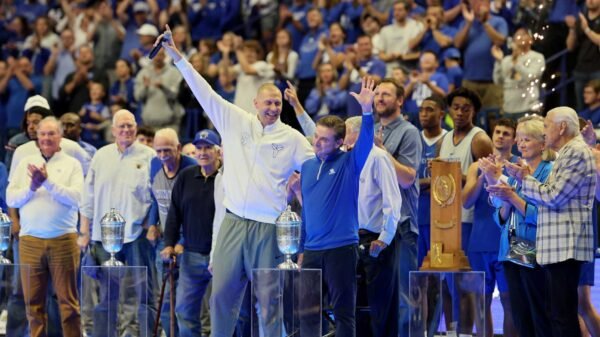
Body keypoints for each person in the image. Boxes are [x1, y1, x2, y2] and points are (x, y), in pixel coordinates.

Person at [159, 25, 314, 337]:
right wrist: (177, 57)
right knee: (221, 297)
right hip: (233, 223)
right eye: (267, 103)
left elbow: (319, 160)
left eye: (277, 105)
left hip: (269, 228)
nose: (273, 108)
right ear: (255, 103)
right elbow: (204, 91)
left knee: (270, 302)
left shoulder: (293, 138)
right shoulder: (234, 120)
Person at [505, 106, 596, 337]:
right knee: (554, 316)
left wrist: (524, 179)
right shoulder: (567, 152)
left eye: (546, 125)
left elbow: (553, 197)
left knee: (561, 318)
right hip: (551, 247)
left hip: (565, 246)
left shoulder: (575, 151)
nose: (545, 132)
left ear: (562, 126)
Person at [299, 77, 375, 337]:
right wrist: (300, 250)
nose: (317, 143)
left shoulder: (349, 163)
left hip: (341, 249)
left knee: (344, 313)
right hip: (311, 251)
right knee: (306, 314)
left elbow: (366, 140)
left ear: (340, 142)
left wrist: (367, 111)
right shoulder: (308, 167)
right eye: (316, 137)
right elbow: (306, 213)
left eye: (324, 140)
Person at [78, 109, 157, 337]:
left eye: (130, 126)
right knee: (107, 295)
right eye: (121, 126)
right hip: (103, 238)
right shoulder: (101, 156)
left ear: (136, 128)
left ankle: (141, 334)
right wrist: (84, 231)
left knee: (143, 293)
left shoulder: (149, 156)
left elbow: (157, 196)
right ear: (113, 130)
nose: (126, 130)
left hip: (136, 237)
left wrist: (150, 223)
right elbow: (88, 196)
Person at [6, 117, 83, 337]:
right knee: (33, 304)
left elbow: (76, 198)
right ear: (37, 137)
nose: (46, 138)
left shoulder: (72, 164)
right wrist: (32, 187)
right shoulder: (24, 162)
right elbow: (11, 199)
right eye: (43, 134)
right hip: (30, 241)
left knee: (68, 303)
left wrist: (47, 182)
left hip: (63, 240)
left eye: (51, 134)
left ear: (60, 136)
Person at [483, 114, 554, 337]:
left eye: (527, 139)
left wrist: (512, 198)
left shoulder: (549, 171)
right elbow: (500, 217)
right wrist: (495, 182)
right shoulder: (515, 170)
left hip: (536, 248)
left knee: (539, 314)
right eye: (520, 139)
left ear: (543, 143)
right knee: (520, 314)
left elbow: (544, 215)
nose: (521, 144)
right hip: (511, 249)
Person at [372, 78, 422, 337]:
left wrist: (382, 152)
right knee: (380, 297)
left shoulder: (409, 132)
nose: (380, 98)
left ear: (400, 100)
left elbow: (407, 178)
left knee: (404, 296)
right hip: (375, 228)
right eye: (377, 94)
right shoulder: (369, 129)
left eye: (387, 94)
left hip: (401, 227)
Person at [160, 129, 222, 337]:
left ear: (218, 151)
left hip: (222, 256)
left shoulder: (228, 178)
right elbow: (174, 212)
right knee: (184, 312)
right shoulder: (186, 176)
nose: (203, 152)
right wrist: (169, 243)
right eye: (199, 149)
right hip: (191, 256)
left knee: (223, 312)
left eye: (208, 148)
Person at [344, 116, 402, 337]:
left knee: (382, 304)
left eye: (346, 132)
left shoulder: (379, 158)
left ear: (358, 133)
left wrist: (385, 238)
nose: (343, 138)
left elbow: (392, 199)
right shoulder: (347, 159)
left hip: (377, 237)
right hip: (352, 237)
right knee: (357, 303)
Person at [463, 119, 518, 337]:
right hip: (479, 242)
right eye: (497, 132)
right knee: (481, 300)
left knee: (509, 300)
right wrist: (484, 175)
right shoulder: (477, 166)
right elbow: (466, 201)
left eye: (506, 133)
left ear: (514, 139)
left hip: (510, 243)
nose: (501, 136)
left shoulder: (519, 166)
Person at [148, 128, 197, 336]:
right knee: (165, 298)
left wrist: (183, 241)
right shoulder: (154, 166)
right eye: (158, 151)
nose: (162, 156)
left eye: (167, 151)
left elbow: (196, 211)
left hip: (191, 243)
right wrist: (152, 224)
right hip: (164, 242)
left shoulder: (191, 168)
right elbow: (155, 198)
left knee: (185, 304)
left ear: (178, 148)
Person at [417, 95, 448, 267]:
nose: (424, 114)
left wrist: (421, 184)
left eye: (429, 110)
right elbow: (407, 181)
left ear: (441, 113)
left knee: (440, 269)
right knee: (417, 272)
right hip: (417, 215)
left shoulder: (449, 140)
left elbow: (448, 183)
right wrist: (431, 181)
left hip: (442, 218)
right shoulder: (413, 138)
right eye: (421, 110)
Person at [492, 28, 545, 118]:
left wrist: (516, 62)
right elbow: (498, 81)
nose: (520, 37)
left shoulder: (537, 57)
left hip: (528, 109)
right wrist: (498, 61)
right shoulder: (507, 59)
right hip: (508, 109)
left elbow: (531, 76)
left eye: (523, 34)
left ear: (530, 40)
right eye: (517, 35)